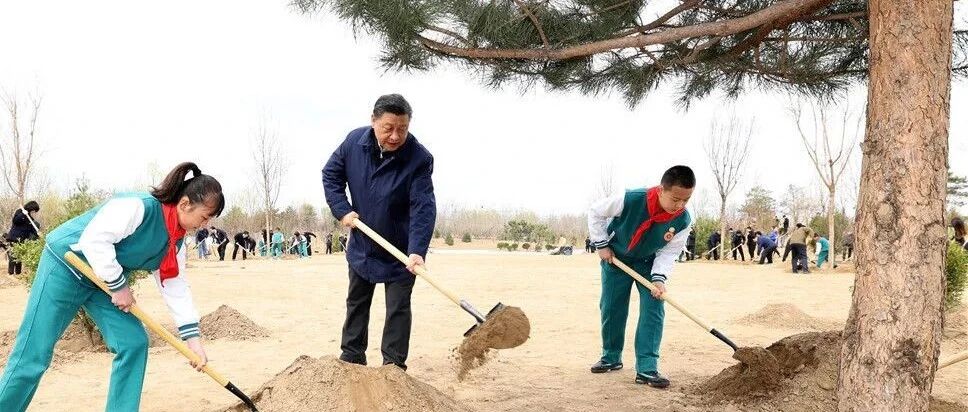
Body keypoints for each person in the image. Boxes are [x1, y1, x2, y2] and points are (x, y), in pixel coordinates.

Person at [0, 162, 223, 411]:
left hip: (101, 283)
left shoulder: (175, 241)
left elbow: (175, 287)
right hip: (65, 267)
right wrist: (119, 287)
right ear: (184, 204)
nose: (204, 225)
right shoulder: (139, 207)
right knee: (34, 355)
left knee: (133, 342)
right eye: (204, 217)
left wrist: (193, 341)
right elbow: (94, 240)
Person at [323, 94, 436, 371]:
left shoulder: (419, 158)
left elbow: (423, 207)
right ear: (373, 121)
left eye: (402, 128)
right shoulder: (353, 143)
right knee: (357, 303)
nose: (396, 136)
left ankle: (393, 367)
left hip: (401, 251)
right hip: (363, 243)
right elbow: (331, 175)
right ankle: (352, 358)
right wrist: (342, 209)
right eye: (388, 128)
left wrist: (417, 251)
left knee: (398, 308)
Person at [587, 165, 695, 389]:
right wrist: (602, 244)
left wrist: (659, 278)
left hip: (649, 262)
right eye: (675, 199)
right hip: (615, 258)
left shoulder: (683, 220)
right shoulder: (631, 199)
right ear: (660, 190)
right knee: (611, 307)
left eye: (686, 200)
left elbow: (670, 252)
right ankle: (611, 357)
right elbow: (596, 212)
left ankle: (647, 368)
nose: (680, 205)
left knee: (654, 308)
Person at [6, 201, 41, 275]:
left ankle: (18, 273)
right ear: (31, 208)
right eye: (34, 210)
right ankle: (11, 273)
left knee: (19, 256)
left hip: (22, 240)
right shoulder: (20, 212)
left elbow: (32, 230)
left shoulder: (30, 219)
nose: (34, 212)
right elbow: (15, 221)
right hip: (14, 237)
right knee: (13, 255)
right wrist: (23, 214)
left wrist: (38, 234)